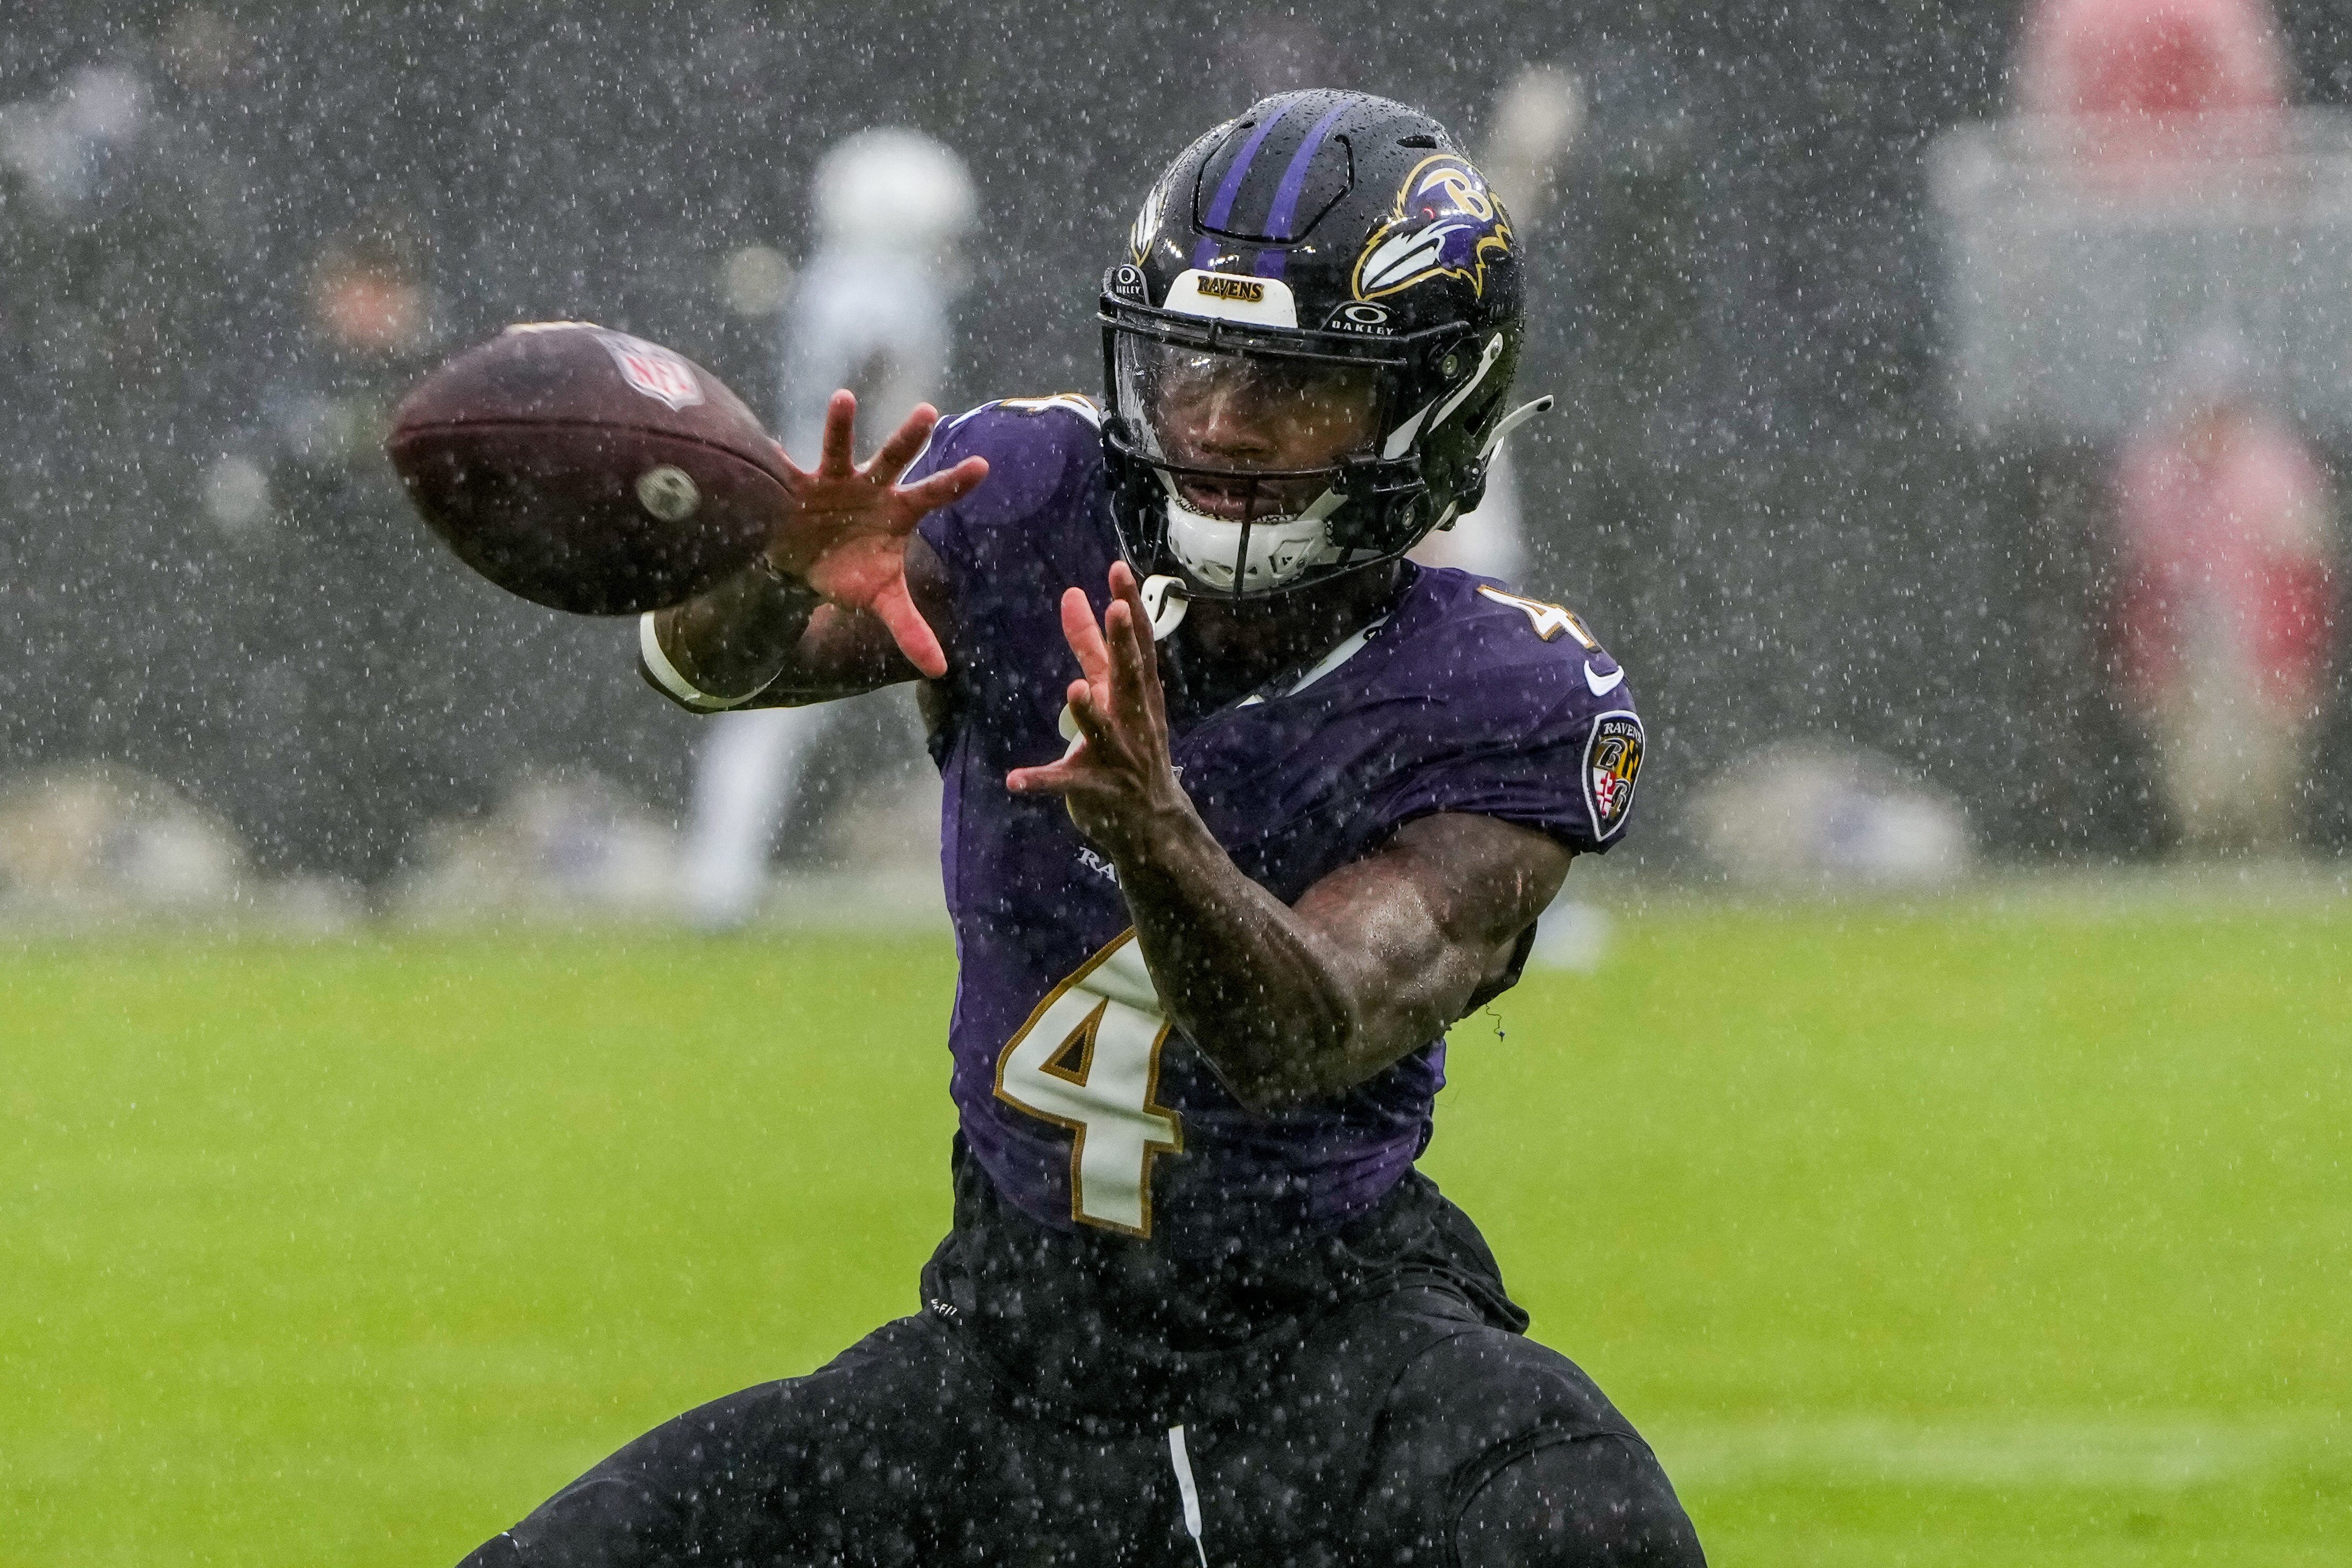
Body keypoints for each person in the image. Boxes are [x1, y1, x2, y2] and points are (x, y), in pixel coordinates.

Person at [467, 91, 1696, 1566]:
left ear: (1429, 404)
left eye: (1291, 380)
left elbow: (1303, 1033)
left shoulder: (1505, 695)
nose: (1220, 421)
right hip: (1007, 1361)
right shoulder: (1034, 498)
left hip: (1331, 1355)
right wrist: (765, 565)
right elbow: (709, 670)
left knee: (1586, 1523)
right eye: (1193, 363)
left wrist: (1159, 840)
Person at [680, 127, 976, 928]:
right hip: (856, 509)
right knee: (947, 691)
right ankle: (980, 875)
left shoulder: (825, 281)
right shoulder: (884, 292)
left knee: (775, 697)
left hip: (804, 498)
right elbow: (868, 377)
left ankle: (719, 879)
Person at [2110, 340, 2337, 851]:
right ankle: (2201, 858)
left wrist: (2295, 658)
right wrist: (2150, 663)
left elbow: (2303, 576)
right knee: (2191, 778)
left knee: (2268, 776)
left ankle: (2268, 858)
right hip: (2189, 650)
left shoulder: (2276, 472)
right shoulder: (2158, 472)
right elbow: (2144, 579)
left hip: (2259, 650)